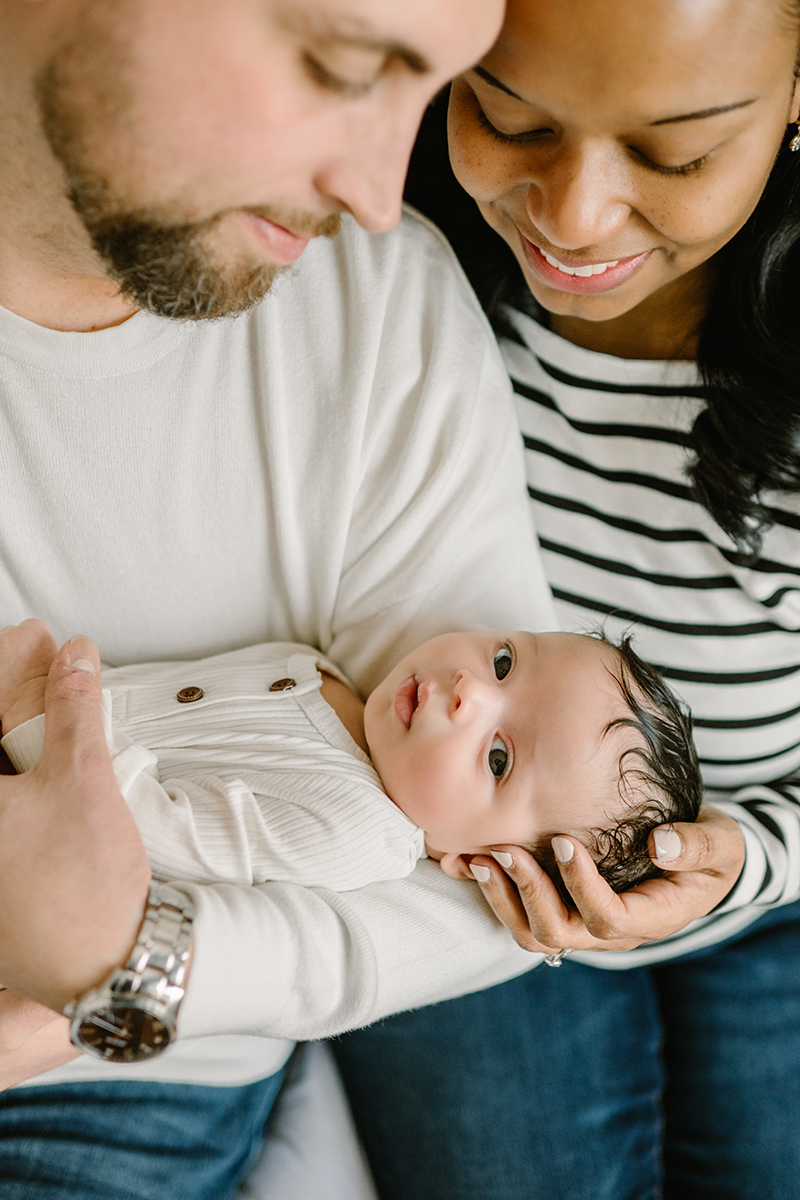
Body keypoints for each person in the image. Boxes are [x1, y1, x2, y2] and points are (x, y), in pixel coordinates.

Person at [0, 0, 748, 1195]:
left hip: (122, 1082)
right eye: (342, 66)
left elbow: (481, 899)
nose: (378, 191)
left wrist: (114, 977)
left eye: (433, 88)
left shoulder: (373, 294)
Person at [330, 1, 800, 1198]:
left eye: (673, 153)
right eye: (505, 116)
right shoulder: (382, 282)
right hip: (459, 891)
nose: (572, 218)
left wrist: (744, 858)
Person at [0, 621, 701, 895]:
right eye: (505, 660)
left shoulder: (351, 831)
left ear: (478, 863)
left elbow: (147, 842)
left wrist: (36, 715)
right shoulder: (330, 678)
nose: (469, 693)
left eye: (496, 760)